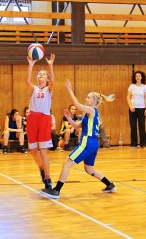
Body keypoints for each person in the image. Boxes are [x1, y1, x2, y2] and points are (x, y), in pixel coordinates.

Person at [41, 79, 117, 199]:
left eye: (88, 98)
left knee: (67, 163)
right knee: (89, 169)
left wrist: (70, 90)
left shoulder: (91, 110)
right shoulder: (89, 113)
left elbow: (77, 105)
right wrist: (68, 118)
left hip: (87, 142)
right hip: (93, 143)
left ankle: (56, 190)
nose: (86, 99)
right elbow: (77, 126)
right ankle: (110, 185)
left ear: (94, 101)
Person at [26, 53, 55, 190]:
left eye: (43, 75)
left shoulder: (49, 89)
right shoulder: (34, 89)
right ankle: (42, 169)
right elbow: (27, 81)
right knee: (32, 150)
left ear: (47, 79)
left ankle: (48, 179)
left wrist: (50, 66)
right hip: (32, 118)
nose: (40, 76)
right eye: (39, 74)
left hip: (44, 118)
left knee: (43, 150)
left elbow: (54, 82)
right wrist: (31, 65)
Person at [127, 70, 146, 148]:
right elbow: (128, 97)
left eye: (139, 76)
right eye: (136, 76)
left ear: (142, 77)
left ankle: (143, 144)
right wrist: (130, 106)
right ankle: (134, 144)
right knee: (133, 126)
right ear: (135, 78)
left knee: (142, 126)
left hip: (142, 108)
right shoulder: (131, 86)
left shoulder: (144, 87)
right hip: (133, 109)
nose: (138, 77)